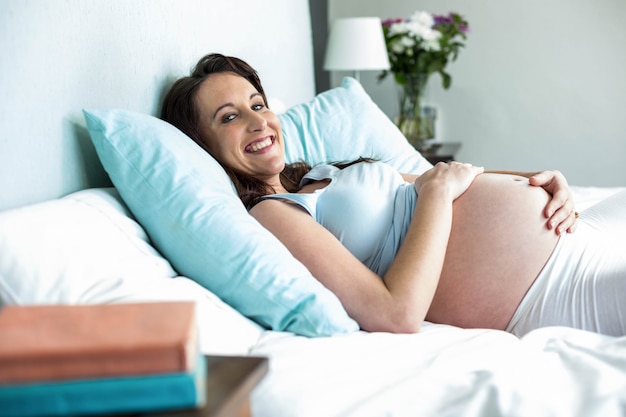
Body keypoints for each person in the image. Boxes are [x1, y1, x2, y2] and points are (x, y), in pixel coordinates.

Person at [161, 53, 626, 337]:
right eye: (229, 117)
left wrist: (539, 178)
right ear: (201, 145)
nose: (259, 121)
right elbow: (397, 313)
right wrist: (437, 197)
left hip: (579, 228)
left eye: (258, 105)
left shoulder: (318, 173)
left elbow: (437, 176)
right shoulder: (273, 215)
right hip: (555, 289)